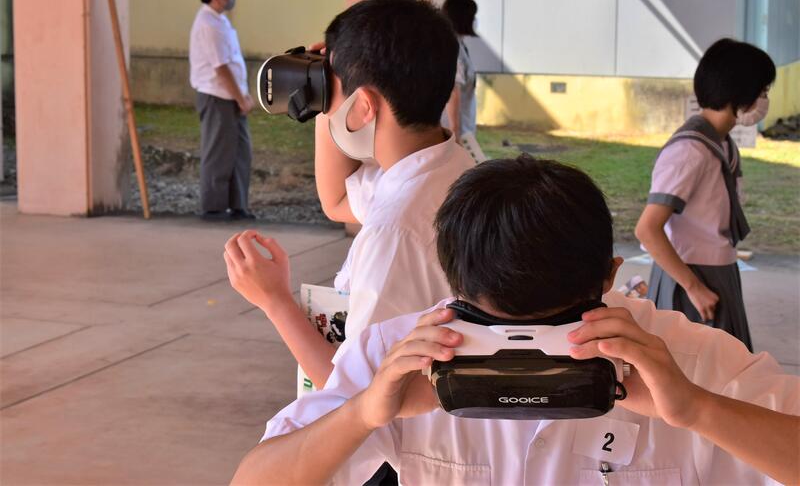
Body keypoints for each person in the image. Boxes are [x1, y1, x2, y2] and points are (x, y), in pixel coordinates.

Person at [231, 156, 799, 485]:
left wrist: (698, 409)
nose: (526, 351)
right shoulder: (400, 357)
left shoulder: (686, 358)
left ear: (609, 279)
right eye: (492, 327)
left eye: (558, 328)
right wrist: (362, 413)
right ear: (454, 288)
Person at [224, 0, 474, 482]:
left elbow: (360, 396)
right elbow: (338, 198)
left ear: (363, 107)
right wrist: (328, 99)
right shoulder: (446, 165)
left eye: (329, 90)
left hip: (397, 462)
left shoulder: (395, 232)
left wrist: (274, 301)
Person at [635, 38, 776, 351]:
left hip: (718, 272)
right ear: (741, 92)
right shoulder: (689, 150)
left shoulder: (721, 144)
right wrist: (694, 287)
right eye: (763, 91)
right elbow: (647, 229)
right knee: (697, 369)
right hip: (691, 278)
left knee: (725, 368)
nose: (764, 100)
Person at [189, 0, 255, 221]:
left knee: (240, 152)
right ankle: (213, 208)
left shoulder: (219, 20)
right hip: (217, 96)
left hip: (230, 96)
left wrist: (242, 95)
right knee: (218, 153)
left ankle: (238, 205)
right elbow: (221, 68)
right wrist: (241, 98)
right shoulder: (208, 25)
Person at [440, 0, 478, 141]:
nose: (475, 20)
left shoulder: (458, 44)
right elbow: (453, 90)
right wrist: (455, 132)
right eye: (473, 16)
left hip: (463, 129)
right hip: (456, 132)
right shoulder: (452, 47)